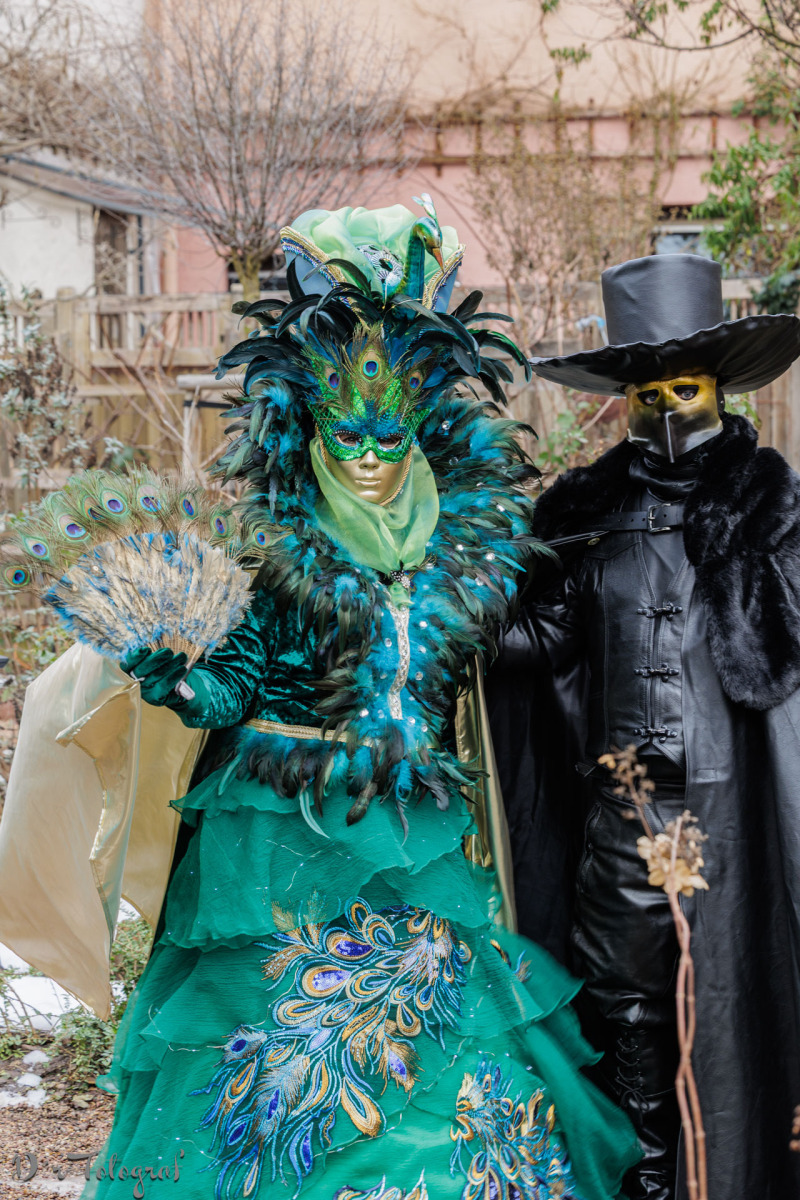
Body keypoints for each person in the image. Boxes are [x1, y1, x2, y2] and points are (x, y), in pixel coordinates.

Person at [62, 202, 639, 1198]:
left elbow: (504, 671)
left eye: (387, 435)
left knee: (441, 1048)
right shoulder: (279, 561)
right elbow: (230, 685)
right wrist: (177, 679)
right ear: (310, 433)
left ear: (418, 433)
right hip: (278, 836)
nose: (369, 458)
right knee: (262, 1040)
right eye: (346, 436)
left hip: (412, 828)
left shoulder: (460, 561)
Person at [485, 252, 800, 1200]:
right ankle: (647, 1178)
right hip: (621, 820)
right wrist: (453, 587)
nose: (666, 409)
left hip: (731, 817)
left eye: (685, 388)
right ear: (624, 398)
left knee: (730, 996)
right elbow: (533, 642)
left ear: (719, 389)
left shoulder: (770, 511)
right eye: (648, 393)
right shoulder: (586, 519)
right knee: (626, 1004)